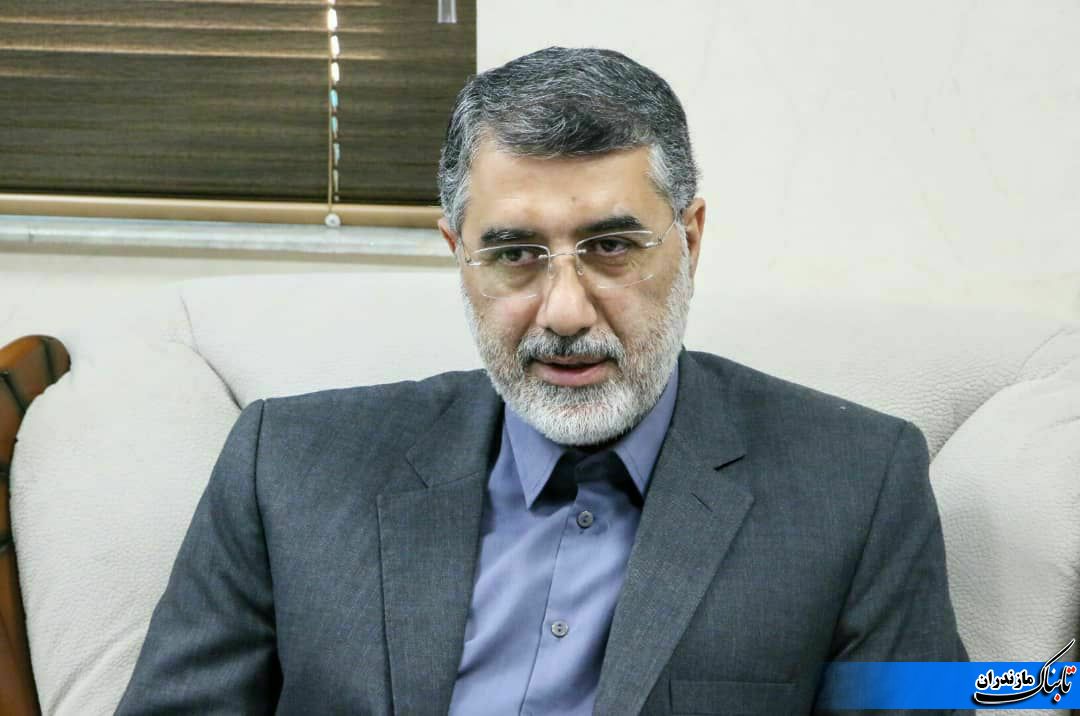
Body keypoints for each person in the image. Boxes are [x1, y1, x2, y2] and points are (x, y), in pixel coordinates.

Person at [117, 47, 968, 715]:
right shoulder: (285, 465)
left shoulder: (857, 482)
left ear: (692, 239)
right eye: (516, 254)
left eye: (612, 247)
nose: (563, 313)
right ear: (458, 254)